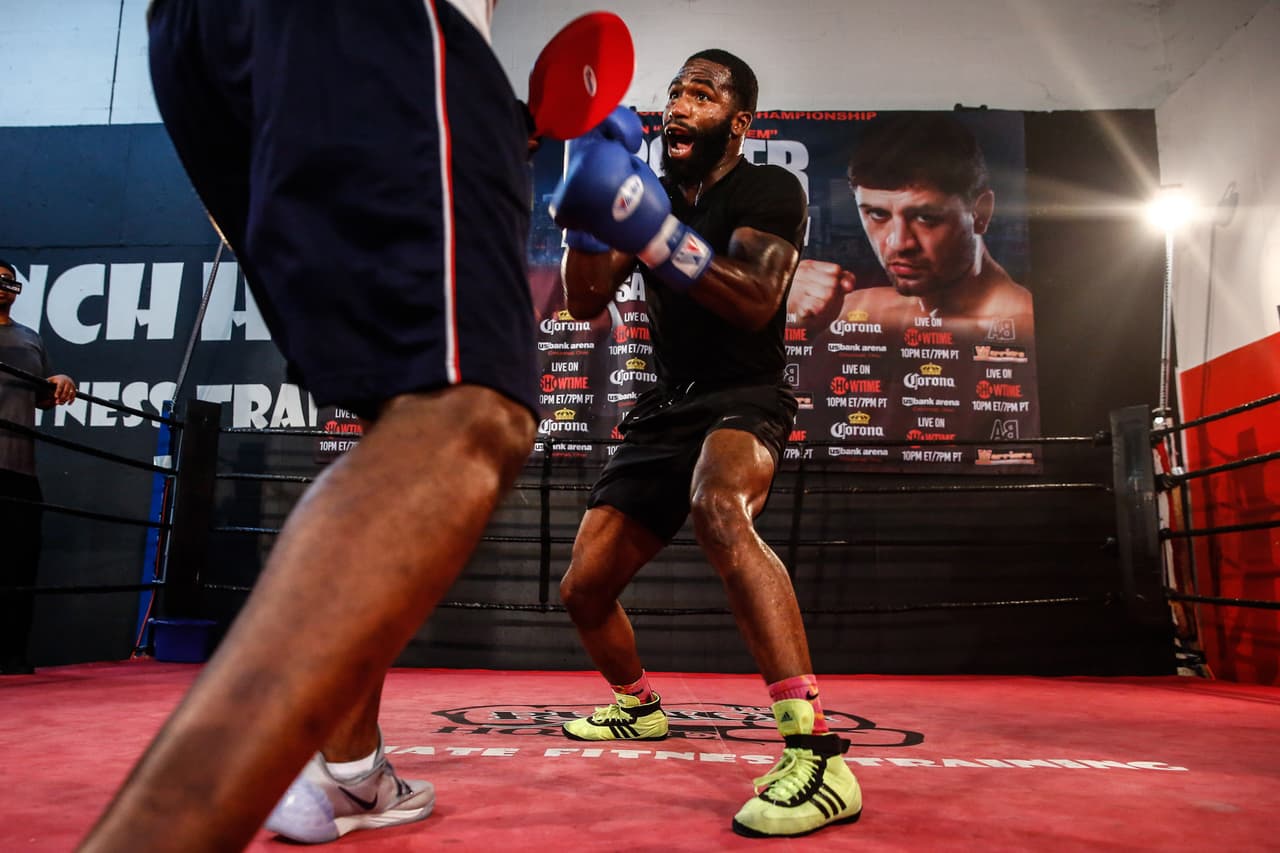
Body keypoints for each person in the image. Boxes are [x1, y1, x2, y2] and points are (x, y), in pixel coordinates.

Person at [81, 1, 537, 850]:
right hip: (356, 24)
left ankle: (353, 768)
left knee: (404, 423)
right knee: (467, 411)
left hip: (200, 36)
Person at [549, 50, 862, 839]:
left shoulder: (767, 189)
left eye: (701, 93)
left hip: (745, 395)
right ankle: (638, 707)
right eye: (674, 93)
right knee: (583, 588)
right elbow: (585, 299)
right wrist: (587, 208)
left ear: (738, 121)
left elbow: (756, 299)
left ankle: (817, 753)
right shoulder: (644, 194)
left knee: (719, 505)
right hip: (665, 407)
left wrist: (651, 232)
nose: (678, 106)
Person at [786, 113, 1032, 339]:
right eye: (878, 214)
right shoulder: (849, 312)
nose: (899, 243)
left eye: (926, 217)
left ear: (980, 213)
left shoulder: (1025, 326)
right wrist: (786, 319)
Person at [0, 259, 77, 676]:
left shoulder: (30, 338)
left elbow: (44, 395)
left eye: (8, 280)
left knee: (19, 561)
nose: (2, 286)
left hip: (19, 467)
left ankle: (11, 655)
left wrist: (61, 380)